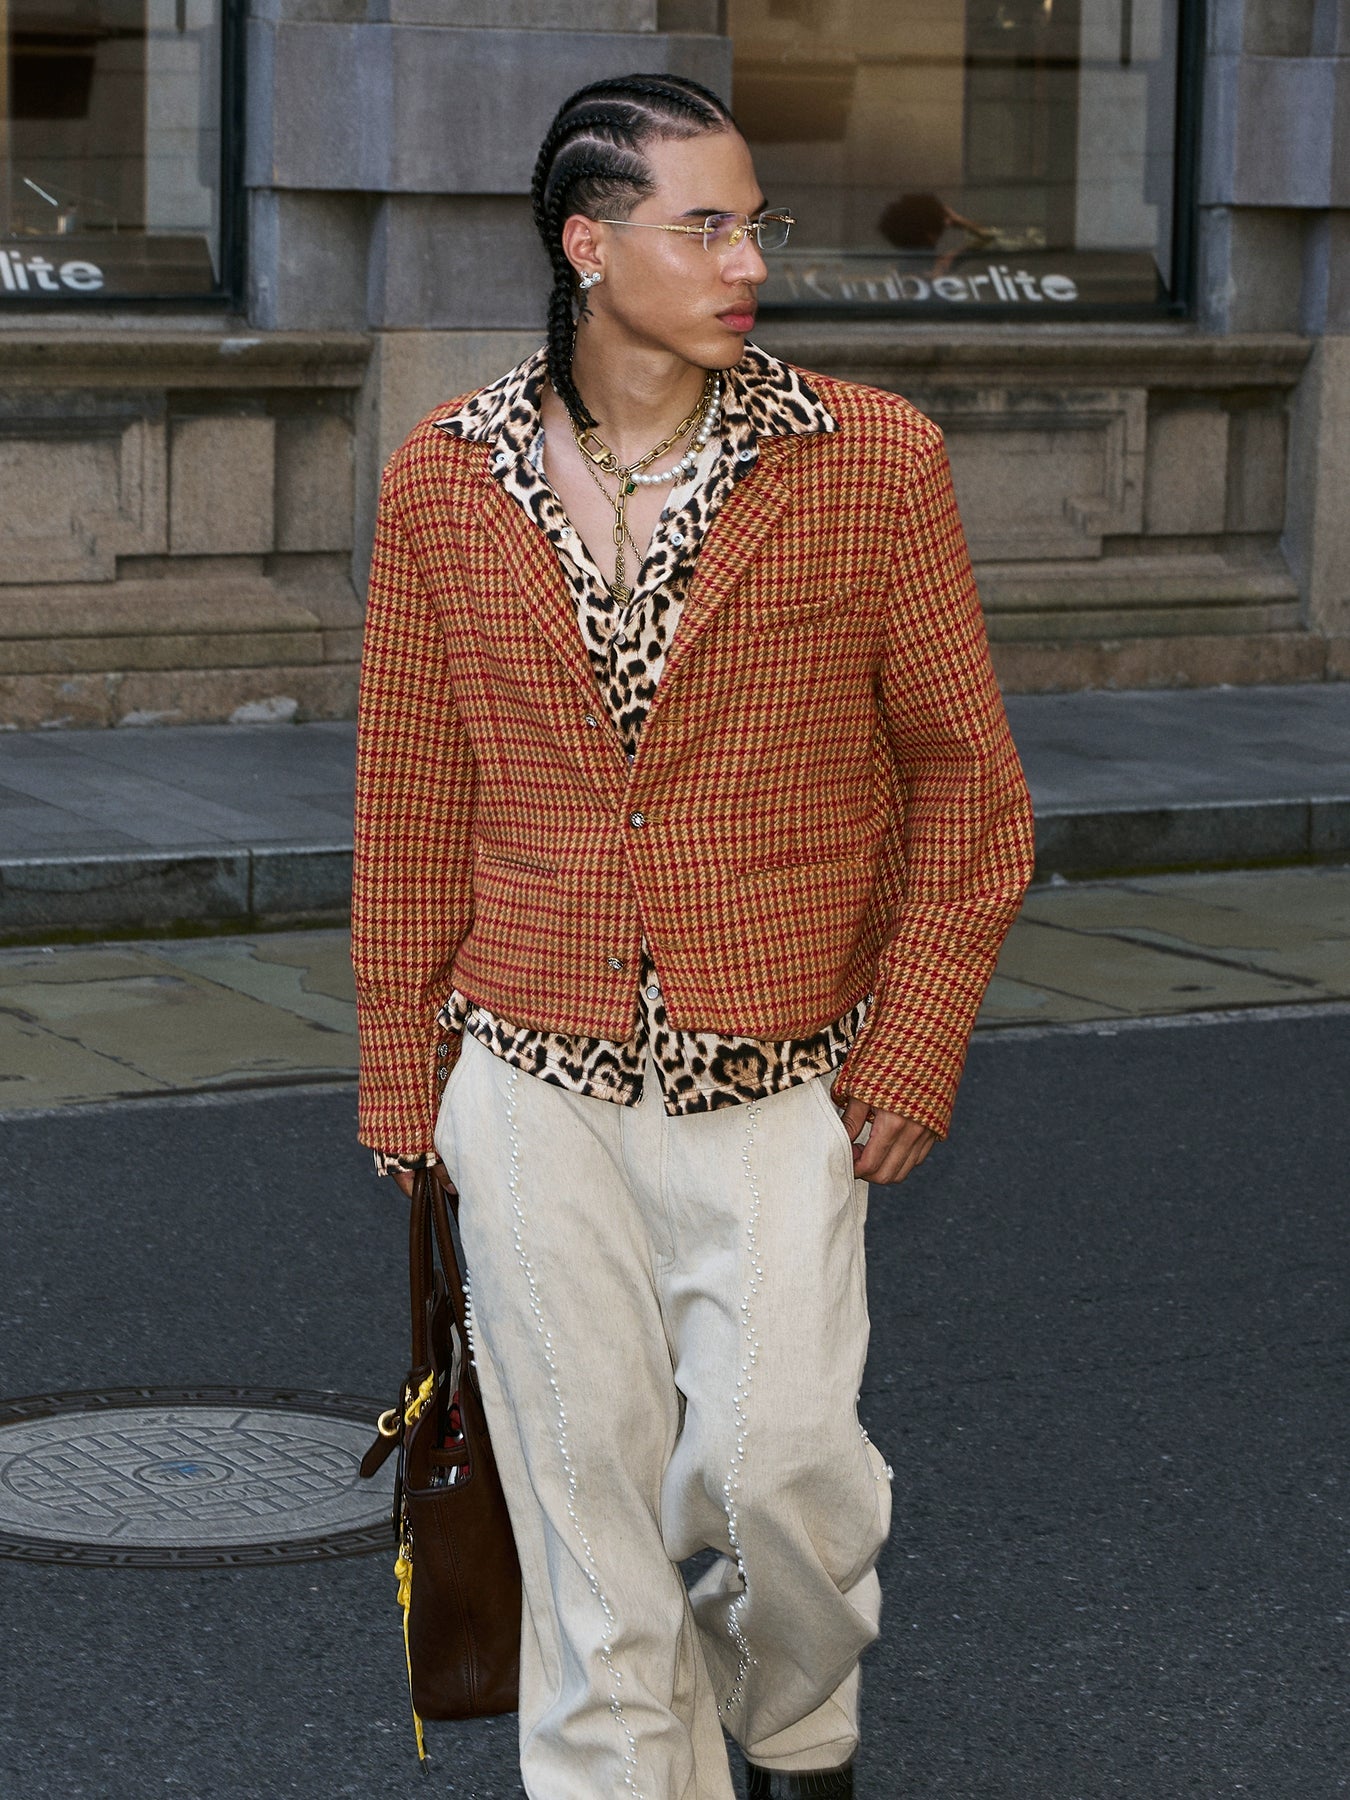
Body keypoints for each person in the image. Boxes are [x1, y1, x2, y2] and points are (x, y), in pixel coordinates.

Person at [351, 72, 1035, 1800]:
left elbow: (968, 784)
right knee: (586, 1533)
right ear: (588, 245)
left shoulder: (868, 461)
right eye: (705, 225)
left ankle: (795, 1720)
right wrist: (403, 1087)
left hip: (780, 1066)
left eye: (756, 225)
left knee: (775, 1471)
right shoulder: (443, 477)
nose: (749, 263)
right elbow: (412, 796)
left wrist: (915, 1038)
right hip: (527, 1074)